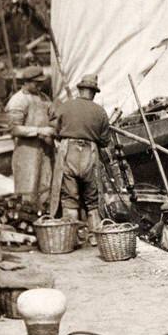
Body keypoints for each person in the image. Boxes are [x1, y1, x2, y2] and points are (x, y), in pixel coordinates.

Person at [52, 73, 110, 238]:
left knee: (70, 197)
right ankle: (96, 238)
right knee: (92, 199)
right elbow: (105, 141)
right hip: (89, 154)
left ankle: (69, 238)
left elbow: (55, 131)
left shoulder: (64, 107)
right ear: (94, 92)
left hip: (68, 151)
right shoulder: (101, 112)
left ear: (80, 89)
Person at [4, 65, 54, 209]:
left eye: (40, 82)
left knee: (45, 187)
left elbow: (52, 117)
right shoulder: (18, 100)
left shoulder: (44, 98)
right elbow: (14, 129)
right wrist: (39, 130)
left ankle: (45, 218)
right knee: (28, 189)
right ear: (25, 82)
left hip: (45, 149)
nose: (39, 85)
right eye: (36, 82)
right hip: (26, 151)